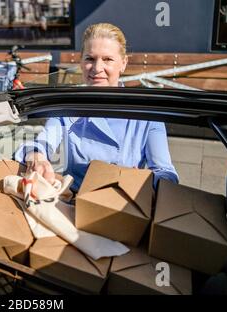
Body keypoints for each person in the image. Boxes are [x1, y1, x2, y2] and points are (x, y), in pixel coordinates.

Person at [14, 23, 178, 191]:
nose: (97, 68)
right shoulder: (68, 106)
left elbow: (166, 173)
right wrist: (37, 156)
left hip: (125, 204)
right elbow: (44, 140)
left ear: (123, 63)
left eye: (107, 59)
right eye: (90, 59)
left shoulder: (147, 114)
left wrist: (141, 181)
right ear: (81, 61)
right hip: (74, 201)